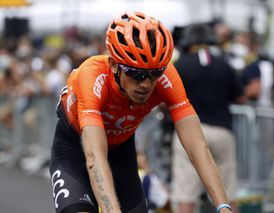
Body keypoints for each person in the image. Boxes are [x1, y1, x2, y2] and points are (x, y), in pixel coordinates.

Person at [49, 12, 233, 213]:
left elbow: (197, 146)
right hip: (74, 150)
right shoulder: (92, 76)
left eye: (154, 73)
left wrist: (224, 206)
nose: (146, 84)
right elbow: (94, 156)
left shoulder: (168, 78)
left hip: (121, 152)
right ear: (114, 65)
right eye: (135, 73)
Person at [171, 23, 245, 213]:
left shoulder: (181, 65)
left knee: (186, 195)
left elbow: (166, 98)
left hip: (188, 133)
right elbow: (240, 97)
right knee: (227, 195)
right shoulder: (223, 64)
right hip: (222, 131)